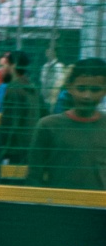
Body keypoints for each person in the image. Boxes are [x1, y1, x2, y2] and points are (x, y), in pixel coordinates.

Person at [28, 57, 106, 190]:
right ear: (70, 87)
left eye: (95, 90)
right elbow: (34, 176)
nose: (87, 96)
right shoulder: (48, 126)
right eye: (81, 89)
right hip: (59, 201)